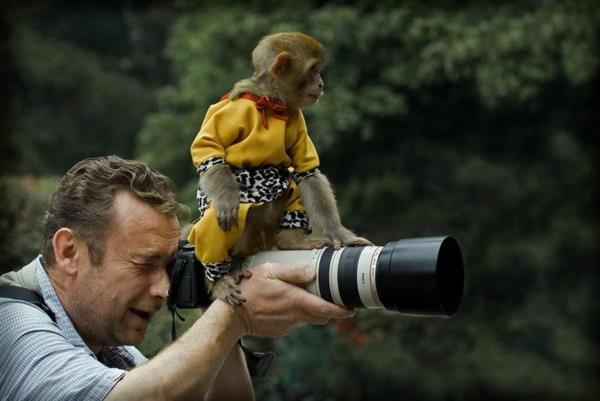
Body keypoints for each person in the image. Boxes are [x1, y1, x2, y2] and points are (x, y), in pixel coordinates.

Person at [0, 155, 354, 401]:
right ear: (69, 252)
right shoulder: (12, 326)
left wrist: (217, 291)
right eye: (145, 263)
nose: (164, 288)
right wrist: (235, 315)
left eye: (170, 266)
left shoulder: (107, 347)